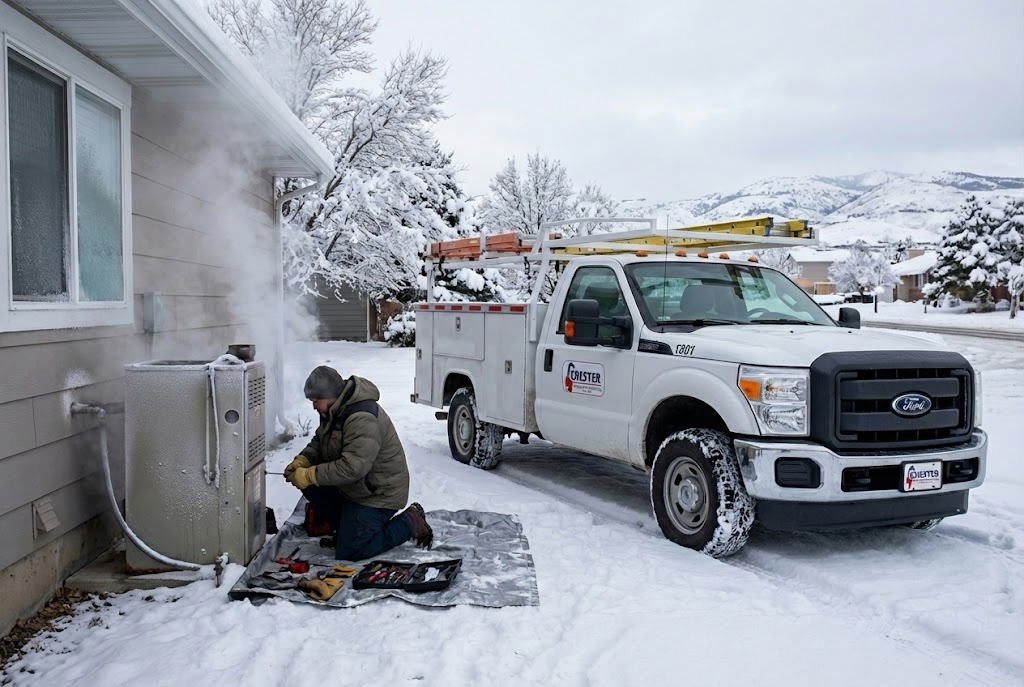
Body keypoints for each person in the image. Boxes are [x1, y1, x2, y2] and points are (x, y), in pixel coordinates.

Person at [283, 365, 433, 560]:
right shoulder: (333, 410)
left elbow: (352, 468)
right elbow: (320, 441)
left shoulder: (362, 418)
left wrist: (311, 474)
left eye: (315, 401)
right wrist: (304, 460)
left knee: (350, 552)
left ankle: (410, 522)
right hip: (355, 487)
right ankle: (347, 528)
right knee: (310, 485)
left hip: (378, 493)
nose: (313, 406)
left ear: (329, 395)